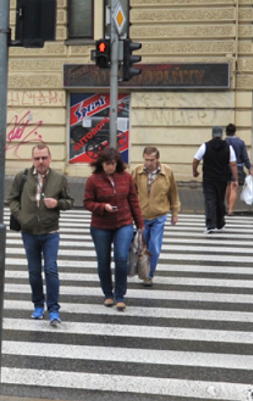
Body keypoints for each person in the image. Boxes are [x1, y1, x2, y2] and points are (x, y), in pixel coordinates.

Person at [6, 143, 74, 326]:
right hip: (29, 232)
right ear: (32, 159)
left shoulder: (59, 178)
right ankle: (38, 304)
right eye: (37, 158)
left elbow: (70, 201)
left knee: (51, 270)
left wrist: (58, 204)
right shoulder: (22, 177)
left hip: (50, 231)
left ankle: (53, 309)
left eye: (44, 157)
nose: (41, 161)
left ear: (50, 158)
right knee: (34, 272)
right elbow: (11, 199)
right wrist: (21, 217)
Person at [84, 146, 144, 311]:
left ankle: (120, 295)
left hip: (123, 223)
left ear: (117, 163)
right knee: (103, 261)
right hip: (100, 226)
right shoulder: (93, 180)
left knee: (121, 258)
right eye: (106, 163)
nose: (109, 167)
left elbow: (133, 200)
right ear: (101, 163)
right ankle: (108, 294)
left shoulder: (125, 177)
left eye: (112, 163)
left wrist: (140, 224)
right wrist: (103, 207)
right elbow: (87, 203)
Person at [130, 146, 180, 287]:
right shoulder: (137, 172)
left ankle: (149, 275)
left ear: (158, 159)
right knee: (143, 248)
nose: (149, 163)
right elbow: (131, 193)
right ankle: (144, 272)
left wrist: (174, 212)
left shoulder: (167, 172)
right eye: (146, 160)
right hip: (142, 216)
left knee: (155, 247)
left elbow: (173, 193)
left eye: (152, 160)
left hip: (159, 215)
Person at [192, 126, 238, 234]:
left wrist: (195, 170)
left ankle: (211, 224)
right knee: (220, 199)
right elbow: (233, 163)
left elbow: (195, 160)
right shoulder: (228, 147)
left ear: (212, 135)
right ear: (221, 135)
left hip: (209, 178)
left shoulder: (205, 146)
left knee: (210, 200)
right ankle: (220, 223)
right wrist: (235, 179)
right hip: (222, 178)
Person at [224, 123, 253, 215]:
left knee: (228, 186)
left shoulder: (224, 142)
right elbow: (244, 157)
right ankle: (230, 210)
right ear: (235, 131)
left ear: (226, 132)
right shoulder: (240, 143)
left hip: (226, 166)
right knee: (234, 187)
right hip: (238, 166)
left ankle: (228, 205)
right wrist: (249, 167)